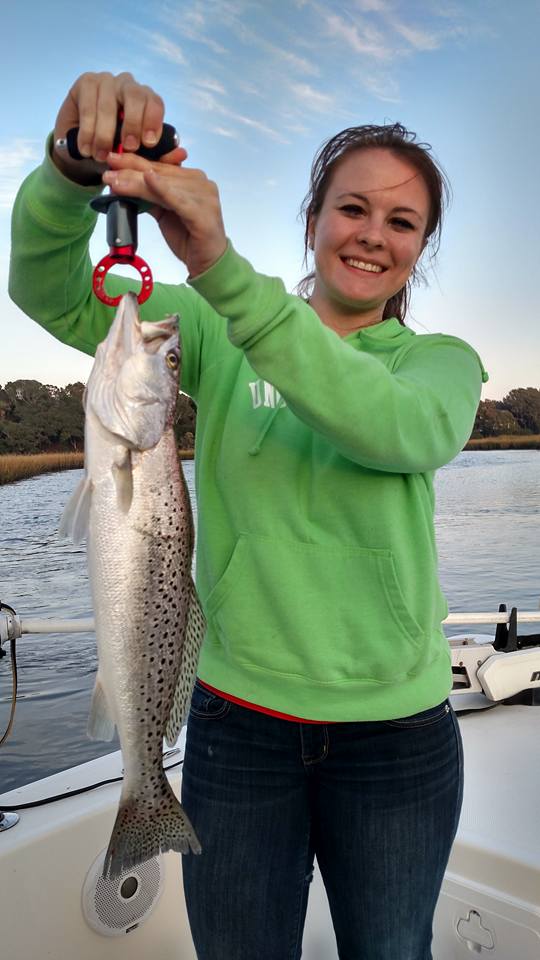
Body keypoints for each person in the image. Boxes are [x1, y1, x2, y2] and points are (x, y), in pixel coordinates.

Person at [9, 72, 488, 960]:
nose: (372, 236)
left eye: (402, 222)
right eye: (353, 208)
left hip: (399, 740)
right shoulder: (211, 325)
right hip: (237, 726)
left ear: (422, 248)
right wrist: (72, 172)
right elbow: (54, 295)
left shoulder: (440, 363)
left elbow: (400, 431)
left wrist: (225, 274)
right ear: (314, 220)